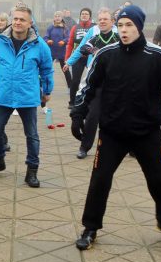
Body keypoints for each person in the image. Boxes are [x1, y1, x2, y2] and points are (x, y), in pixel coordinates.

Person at [70, 5, 161, 250]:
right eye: (120, 25)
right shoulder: (106, 54)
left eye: (129, 25)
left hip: (147, 132)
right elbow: (87, 85)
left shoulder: (156, 55)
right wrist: (78, 113)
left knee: (159, 180)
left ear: (139, 27)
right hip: (113, 132)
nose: (124, 30)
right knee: (99, 180)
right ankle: (91, 227)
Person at [0, 6, 54, 188]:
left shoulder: (39, 45)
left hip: (27, 95)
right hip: (2, 93)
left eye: (22, 19)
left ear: (30, 23)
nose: (18, 22)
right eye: (16, 19)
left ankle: (32, 170)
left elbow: (47, 69)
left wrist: (47, 90)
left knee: (32, 135)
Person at [65, 8, 118, 157]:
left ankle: (130, 146)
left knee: (122, 116)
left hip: (117, 85)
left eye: (105, 19)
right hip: (98, 84)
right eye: (100, 19)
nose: (102, 21)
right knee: (92, 116)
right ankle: (85, 147)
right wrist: (94, 50)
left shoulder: (118, 38)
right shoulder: (96, 37)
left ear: (112, 22)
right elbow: (83, 47)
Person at [63, 8, 94, 106]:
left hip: (91, 57)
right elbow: (70, 44)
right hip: (78, 57)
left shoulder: (95, 27)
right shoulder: (75, 27)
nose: (84, 15)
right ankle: (72, 102)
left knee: (92, 79)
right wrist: (67, 59)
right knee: (75, 80)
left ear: (90, 16)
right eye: (82, 14)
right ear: (80, 16)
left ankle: (90, 101)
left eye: (86, 14)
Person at [45, 11, 72, 91]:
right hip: (51, 51)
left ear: (61, 18)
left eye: (59, 16)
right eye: (56, 16)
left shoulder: (65, 28)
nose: (57, 18)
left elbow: (68, 38)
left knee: (65, 69)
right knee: (47, 68)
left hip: (62, 52)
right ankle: (45, 86)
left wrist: (63, 41)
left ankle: (70, 87)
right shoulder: (50, 27)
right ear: (54, 18)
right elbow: (45, 37)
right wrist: (48, 41)